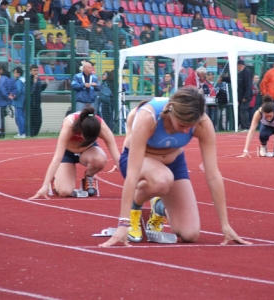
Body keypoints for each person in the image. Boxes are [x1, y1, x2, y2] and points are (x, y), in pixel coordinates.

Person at [99, 87, 251, 247]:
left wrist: (225, 226)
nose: (186, 130)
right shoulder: (148, 117)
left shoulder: (203, 123)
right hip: (138, 162)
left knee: (190, 234)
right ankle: (135, 207)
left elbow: (213, 175)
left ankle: (158, 206)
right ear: (172, 112)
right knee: (162, 179)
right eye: (182, 125)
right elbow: (132, 174)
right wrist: (123, 223)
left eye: (190, 126)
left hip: (173, 164)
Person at [29, 106, 120, 199]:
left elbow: (117, 157)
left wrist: (131, 184)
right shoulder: (70, 124)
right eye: (87, 138)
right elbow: (57, 157)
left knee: (100, 159)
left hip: (87, 152)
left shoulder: (101, 126)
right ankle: (57, 178)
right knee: (65, 191)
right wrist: (44, 185)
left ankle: (89, 176)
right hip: (67, 153)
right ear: (81, 131)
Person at [0, 64, 15, 139]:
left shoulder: (2, 79)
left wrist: (6, 96)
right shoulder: (10, 79)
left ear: (1, 70)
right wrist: (12, 95)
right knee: (1, 118)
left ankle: (0, 133)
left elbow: (1, 89)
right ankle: (2, 132)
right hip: (6, 102)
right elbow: (13, 88)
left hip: (0, 101)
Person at [29, 64, 49, 137]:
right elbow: (31, 92)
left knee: (39, 121)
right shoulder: (29, 79)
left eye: (37, 70)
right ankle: (31, 134)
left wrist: (45, 84)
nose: (36, 72)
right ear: (30, 71)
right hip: (31, 104)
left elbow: (39, 89)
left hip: (37, 103)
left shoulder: (38, 79)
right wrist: (34, 83)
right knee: (32, 121)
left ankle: (34, 135)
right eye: (34, 70)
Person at [12, 66, 26, 138]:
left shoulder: (19, 81)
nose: (14, 74)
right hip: (22, 101)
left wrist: (13, 96)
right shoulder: (23, 80)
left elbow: (18, 91)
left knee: (18, 117)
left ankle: (22, 132)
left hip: (19, 101)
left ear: (18, 73)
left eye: (15, 73)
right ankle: (21, 132)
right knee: (21, 117)